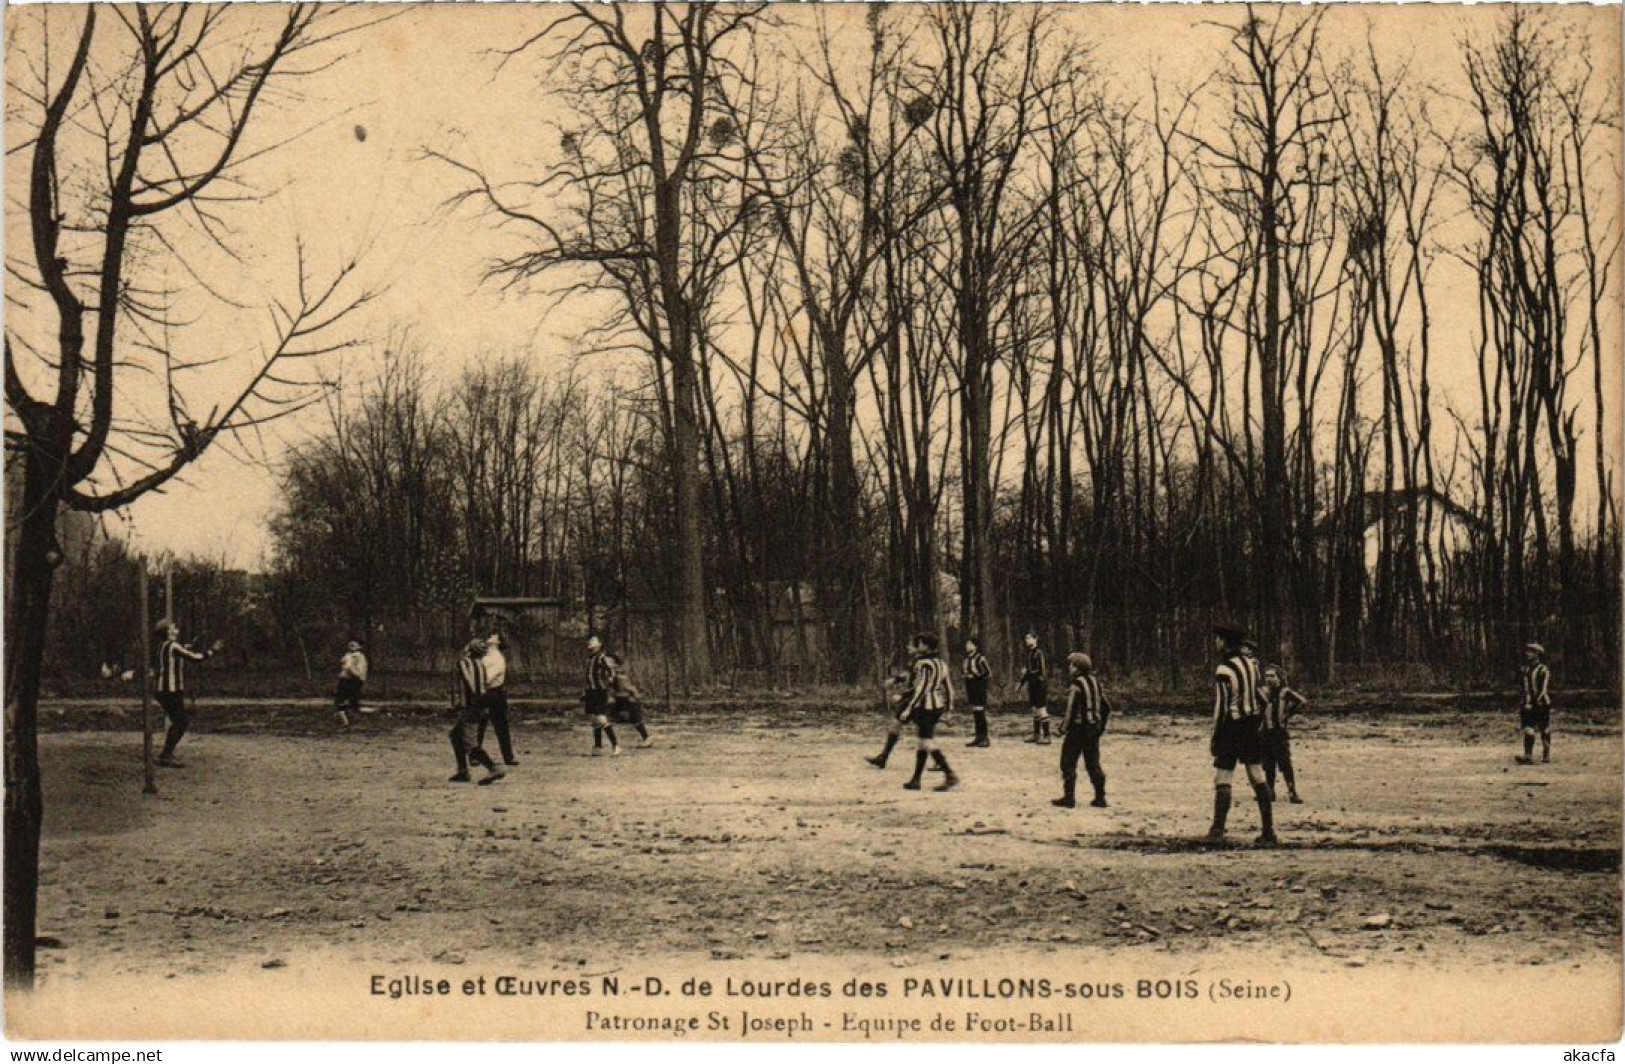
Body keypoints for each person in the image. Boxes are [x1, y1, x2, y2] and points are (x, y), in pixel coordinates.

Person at [1205, 624, 1276, 846]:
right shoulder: (1253, 665)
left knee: (1223, 777)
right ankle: (1268, 832)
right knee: (1257, 775)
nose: (1215, 643)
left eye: (1217, 639)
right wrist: (1258, 720)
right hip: (1251, 726)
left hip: (1231, 727)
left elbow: (1222, 707)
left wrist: (1215, 736)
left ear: (1224, 642)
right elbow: (1263, 696)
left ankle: (1217, 830)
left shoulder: (1224, 669)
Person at [154, 621, 222, 769]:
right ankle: (166, 755)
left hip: (163, 690)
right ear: (168, 632)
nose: (176, 629)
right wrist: (212, 651)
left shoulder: (164, 646)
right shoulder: (173, 646)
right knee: (181, 722)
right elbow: (195, 659)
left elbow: (177, 654)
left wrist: (186, 648)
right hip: (170, 690)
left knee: (178, 720)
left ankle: (166, 754)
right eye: (173, 628)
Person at [895, 632, 957, 791]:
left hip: (925, 706)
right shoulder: (942, 663)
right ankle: (916, 780)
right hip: (938, 705)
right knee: (923, 742)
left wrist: (908, 708)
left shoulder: (923, 664)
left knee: (926, 742)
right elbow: (949, 688)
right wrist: (949, 710)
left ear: (925, 646)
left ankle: (950, 774)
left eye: (920, 643)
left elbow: (921, 689)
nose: (917, 646)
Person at [1053, 652, 1110, 809]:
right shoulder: (1095, 683)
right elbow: (1106, 707)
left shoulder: (1076, 685)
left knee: (1068, 762)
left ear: (1077, 668)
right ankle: (1100, 797)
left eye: (1071, 665)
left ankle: (1069, 798)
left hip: (1077, 730)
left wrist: (1062, 729)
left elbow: (1070, 711)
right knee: (1093, 763)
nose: (1069, 668)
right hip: (1093, 730)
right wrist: (1100, 726)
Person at [449, 638, 503, 785]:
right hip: (479, 706)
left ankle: (493, 768)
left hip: (471, 707)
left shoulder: (463, 664)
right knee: (455, 735)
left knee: (469, 743)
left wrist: (458, 704)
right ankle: (462, 771)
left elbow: (468, 686)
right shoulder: (481, 665)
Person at [1260, 664, 1306, 803]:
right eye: (1267, 676)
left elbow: (1302, 702)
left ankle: (1292, 792)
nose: (1269, 679)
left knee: (1284, 762)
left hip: (1279, 733)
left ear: (1279, 677)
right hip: (1265, 733)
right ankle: (1270, 792)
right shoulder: (1262, 692)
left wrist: (1288, 714)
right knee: (1268, 763)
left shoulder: (1285, 692)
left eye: (1272, 676)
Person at [475, 632, 518, 766]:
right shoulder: (484, 655)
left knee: (500, 725)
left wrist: (478, 682)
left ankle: (508, 756)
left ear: (498, 642)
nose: (488, 637)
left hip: (494, 693)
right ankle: (475, 755)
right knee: (479, 724)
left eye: (493, 636)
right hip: (483, 692)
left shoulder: (498, 658)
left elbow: (488, 678)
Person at [606, 653, 653, 747]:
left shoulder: (619, 674)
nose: (605, 663)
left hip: (629, 699)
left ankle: (646, 739)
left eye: (608, 661)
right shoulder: (611, 674)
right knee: (609, 718)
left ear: (615, 663)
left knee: (635, 720)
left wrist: (635, 696)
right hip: (622, 699)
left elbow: (627, 688)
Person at [1517, 643, 1553, 764]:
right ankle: (1528, 755)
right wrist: (1525, 701)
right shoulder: (1525, 669)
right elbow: (1523, 687)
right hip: (1528, 702)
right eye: (1527, 651)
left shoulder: (1543, 669)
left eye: (1530, 652)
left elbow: (1544, 688)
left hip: (1540, 702)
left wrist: (1538, 700)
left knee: (1544, 727)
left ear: (1537, 654)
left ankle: (1546, 753)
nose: (1527, 654)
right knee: (1528, 728)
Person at [584, 634, 619, 756]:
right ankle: (598, 746)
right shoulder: (589, 659)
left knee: (601, 718)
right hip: (590, 692)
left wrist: (609, 682)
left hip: (600, 692)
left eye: (593, 641)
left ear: (599, 644)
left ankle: (616, 745)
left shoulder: (602, 657)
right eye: (589, 641)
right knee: (593, 719)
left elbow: (612, 671)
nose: (590, 643)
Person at [1017, 631, 1051, 745]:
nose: (1027, 640)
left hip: (1040, 685)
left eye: (1029, 638)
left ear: (1036, 639)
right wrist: (1021, 684)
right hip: (1032, 685)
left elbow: (1041, 670)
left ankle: (1047, 735)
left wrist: (1029, 673)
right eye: (1026, 638)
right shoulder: (1028, 654)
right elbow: (1026, 672)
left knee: (1042, 709)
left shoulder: (1039, 653)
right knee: (1034, 710)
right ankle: (1036, 735)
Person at [962, 637, 992, 747]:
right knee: (975, 712)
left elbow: (988, 673)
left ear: (976, 646)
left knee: (980, 711)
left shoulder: (980, 659)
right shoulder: (966, 659)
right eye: (967, 644)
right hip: (971, 688)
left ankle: (985, 737)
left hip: (979, 688)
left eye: (970, 644)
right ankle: (978, 737)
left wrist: (975, 676)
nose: (967, 646)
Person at [335, 640, 367, 728]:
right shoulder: (348, 655)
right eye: (350, 644)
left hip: (354, 680)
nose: (352, 646)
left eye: (354, 645)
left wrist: (351, 669)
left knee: (353, 699)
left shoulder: (360, 657)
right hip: (345, 679)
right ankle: (344, 719)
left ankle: (352, 720)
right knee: (340, 699)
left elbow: (360, 672)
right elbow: (343, 665)